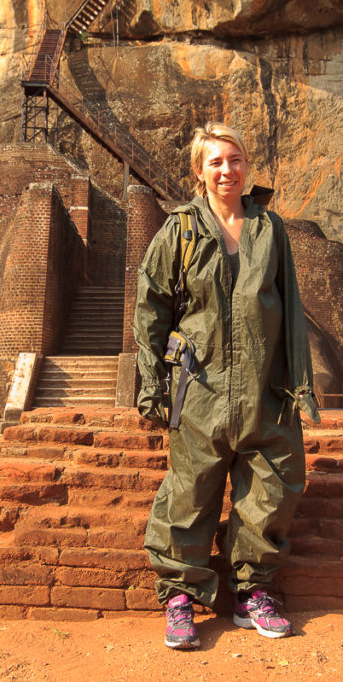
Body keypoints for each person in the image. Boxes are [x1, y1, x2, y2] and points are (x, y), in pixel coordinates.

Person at [133, 121, 320, 650]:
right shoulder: (181, 230)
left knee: (272, 488)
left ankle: (251, 594)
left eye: (234, 159)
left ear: (246, 166)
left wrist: (296, 382)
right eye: (214, 162)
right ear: (199, 171)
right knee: (190, 490)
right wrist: (153, 383)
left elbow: (291, 310)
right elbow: (151, 307)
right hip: (201, 386)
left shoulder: (270, 228)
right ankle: (179, 598)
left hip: (264, 386)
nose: (226, 170)